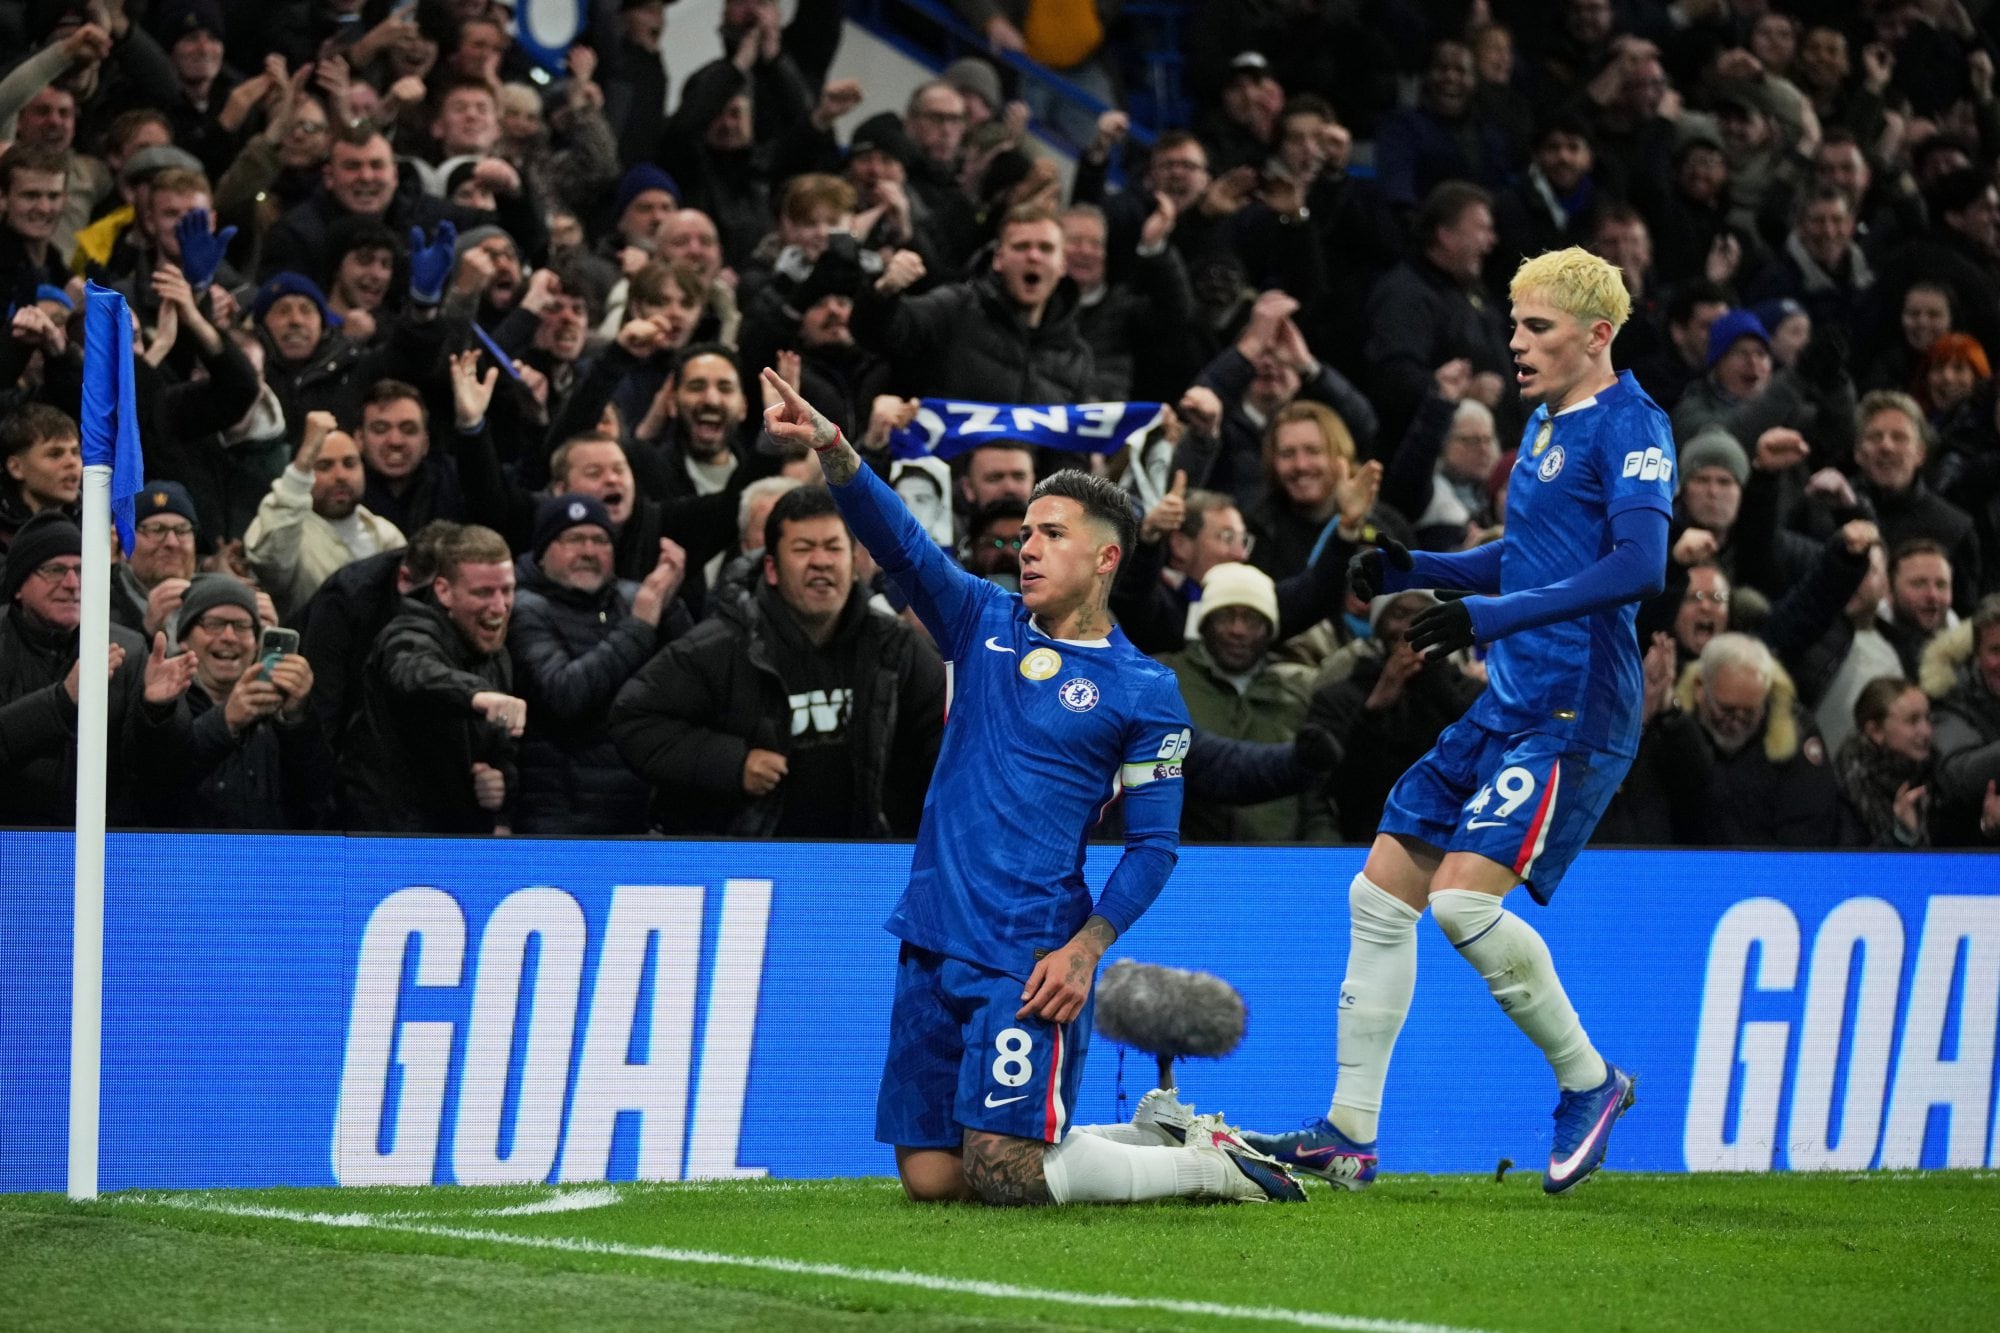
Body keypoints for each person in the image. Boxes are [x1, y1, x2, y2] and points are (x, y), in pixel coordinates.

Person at [760, 369, 1304, 1207]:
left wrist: (1085, 948)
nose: (1029, 546)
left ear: (1105, 557)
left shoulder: (1143, 688)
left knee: (1006, 1171)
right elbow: (900, 540)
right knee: (934, 1177)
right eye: (1025, 532)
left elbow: (1156, 844)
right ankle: (1152, 1135)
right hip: (934, 932)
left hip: (1029, 951)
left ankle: (1213, 1168)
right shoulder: (981, 620)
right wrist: (836, 449)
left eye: (1051, 533)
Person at [1244, 248, 1672, 1195]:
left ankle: (1591, 1080)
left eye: (1538, 327)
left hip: (1576, 706)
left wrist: (1487, 616)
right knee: (1381, 892)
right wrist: (1418, 567)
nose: (1514, 343)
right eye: (1513, 323)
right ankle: (1348, 1134)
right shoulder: (1549, 423)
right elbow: (1532, 553)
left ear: (1597, 336)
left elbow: (1640, 565)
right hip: (1512, 699)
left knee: (1464, 903)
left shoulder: (1634, 424)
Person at [611, 485, 944, 837]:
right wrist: (732, 763)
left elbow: (953, 730)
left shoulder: (895, 645)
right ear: (771, 568)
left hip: (866, 864)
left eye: (833, 547)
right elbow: (633, 718)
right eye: (803, 549)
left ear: (853, 563)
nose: (821, 561)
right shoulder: (722, 645)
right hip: (751, 868)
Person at [509, 495, 689, 835]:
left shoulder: (636, 599)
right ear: (544, 549)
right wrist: (640, 626)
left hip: (638, 815)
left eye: (600, 540)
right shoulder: (524, 607)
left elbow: (691, 683)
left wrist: (671, 603)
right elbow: (564, 694)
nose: (589, 551)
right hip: (558, 821)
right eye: (574, 540)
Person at [337, 524, 524, 833]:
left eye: (507, 590)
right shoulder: (408, 633)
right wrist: (478, 696)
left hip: (453, 838)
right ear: (444, 591)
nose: (499, 607)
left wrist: (499, 793)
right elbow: (414, 673)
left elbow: (499, 752)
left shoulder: (496, 655)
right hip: (387, 839)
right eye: (483, 593)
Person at [163, 573, 331, 830]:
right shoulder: (164, 702)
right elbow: (157, 783)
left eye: (242, 626)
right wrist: (225, 721)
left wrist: (296, 720)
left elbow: (316, 801)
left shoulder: (281, 712)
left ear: (256, 643)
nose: (229, 637)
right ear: (184, 639)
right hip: (187, 859)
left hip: (268, 860)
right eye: (214, 624)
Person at [245, 411, 407, 619]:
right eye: (324, 465)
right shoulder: (280, 527)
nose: (340, 476)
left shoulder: (386, 534)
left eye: (350, 463)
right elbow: (271, 566)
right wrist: (304, 462)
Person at [1835, 676, 1935, 847]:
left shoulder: (1934, 768)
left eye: (1927, 718)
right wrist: (1901, 835)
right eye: (1912, 720)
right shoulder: (1848, 788)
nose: (1926, 731)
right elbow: (1854, 868)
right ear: (1875, 731)